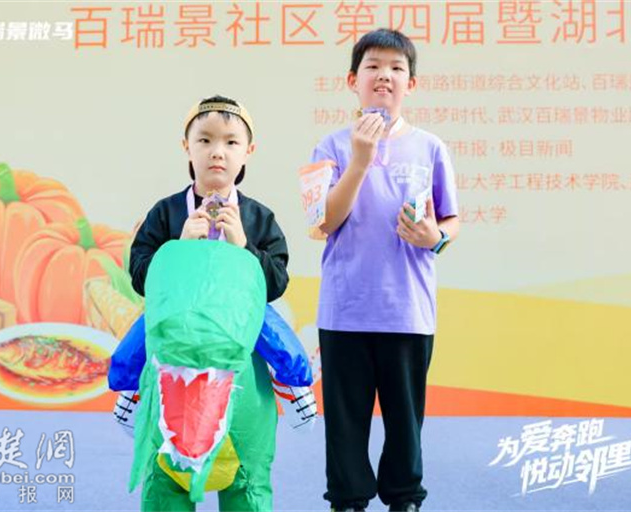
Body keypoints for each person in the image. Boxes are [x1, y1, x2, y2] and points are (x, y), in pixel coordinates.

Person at [310, 29, 460, 512]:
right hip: (345, 309)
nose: (384, 76)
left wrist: (434, 237)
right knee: (345, 421)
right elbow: (322, 221)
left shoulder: (430, 147)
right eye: (373, 66)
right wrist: (360, 160)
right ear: (352, 80)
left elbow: (450, 221)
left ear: (410, 84)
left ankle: (404, 498)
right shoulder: (330, 147)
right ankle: (348, 500)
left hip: (408, 309)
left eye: (397, 68)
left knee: (405, 421)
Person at [128, 95, 289, 511]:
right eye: (205, 140)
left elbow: (276, 283)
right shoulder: (165, 214)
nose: (218, 152)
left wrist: (244, 247)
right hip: (173, 364)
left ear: (248, 151)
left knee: (246, 477)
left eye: (231, 142)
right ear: (187, 147)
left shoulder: (260, 219)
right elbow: (140, 276)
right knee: (166, 476)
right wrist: (179, 249)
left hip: (239, 368)